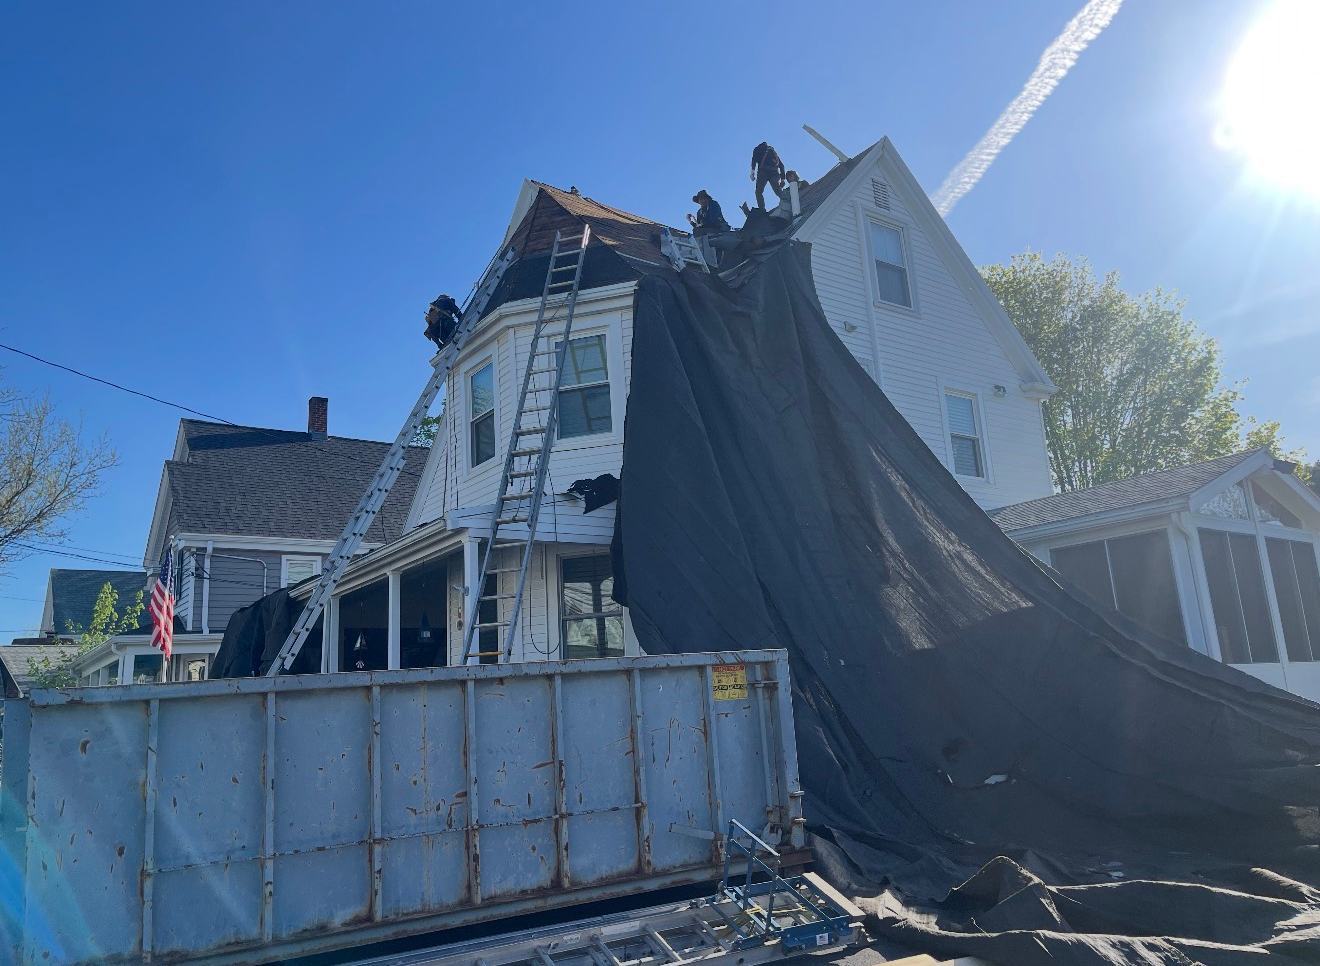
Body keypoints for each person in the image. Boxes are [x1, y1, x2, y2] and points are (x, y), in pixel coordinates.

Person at [749, 141, 785, 209]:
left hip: (763, 172)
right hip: (774, 172)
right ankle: (787, 200)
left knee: (759, 192)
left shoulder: (757, 149)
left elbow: (754, 160)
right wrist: (783, 179)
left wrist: (752, 172)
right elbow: (781, 165)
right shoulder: (772, 151)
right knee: (777, 190)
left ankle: (762, 209)